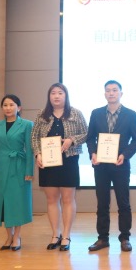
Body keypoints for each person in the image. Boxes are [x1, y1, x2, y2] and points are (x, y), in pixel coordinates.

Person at [31, 83, 88, 252]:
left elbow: (86, 133)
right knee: (51, 199)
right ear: (49, 96)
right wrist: (38, 154)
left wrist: (72, 140)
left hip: (69, 160)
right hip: (48, 161)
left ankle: (66, 235)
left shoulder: (76, 113)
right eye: (53, 93)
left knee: (68, 199)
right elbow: (34, 137)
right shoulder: (41, 114)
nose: (56, 96)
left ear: (66, 95)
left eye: (60, 93)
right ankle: (55, 234)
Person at [86, 80, 136, 252]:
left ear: (121, 93)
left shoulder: (131, 114)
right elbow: (90, 138)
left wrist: (125, 155)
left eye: (115, 90)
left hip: (120, 165)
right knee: (102, 203)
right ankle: (102, 238)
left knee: (123, 202)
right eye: (108, 90)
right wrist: (93, 153)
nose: (111, 93)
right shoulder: (96, 113)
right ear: (104, 94)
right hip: (101, 165)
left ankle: (125, 237)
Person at [0, 94, 34, 251]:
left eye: (11, 105)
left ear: (19, 108)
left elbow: (29, 150)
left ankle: (17, 236)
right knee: (3, 202)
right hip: (0, 167)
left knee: (17, 202)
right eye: (5, 105)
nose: (8, 108)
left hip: (18, 167)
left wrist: (29, 170)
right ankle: (9, 236)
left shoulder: (27, 124)